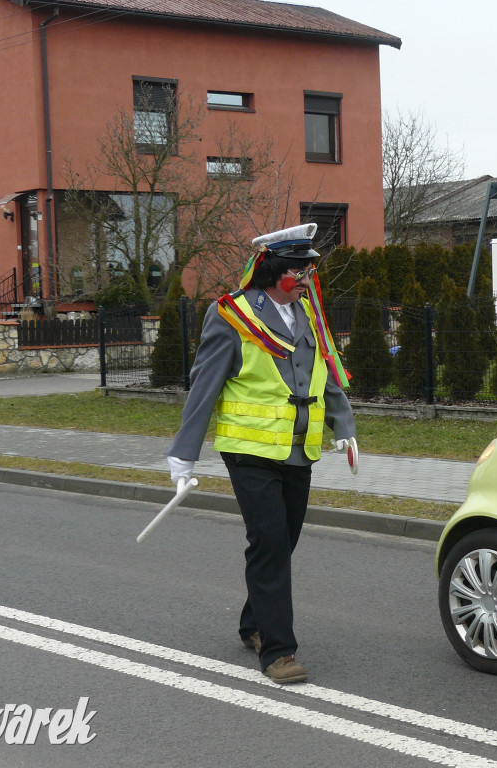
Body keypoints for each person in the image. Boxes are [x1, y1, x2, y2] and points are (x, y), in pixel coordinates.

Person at [165, 223, 355, 684]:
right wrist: (183, 456)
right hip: (249, 451)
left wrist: (343, 425)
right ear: (274, 271)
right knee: (270, 541)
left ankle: (253, 623)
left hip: (298, 447)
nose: (308, 277)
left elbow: (324, 369)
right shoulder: (232, 315)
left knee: (281, 542)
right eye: (300, 270)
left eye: (309, 269)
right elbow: (205, 384)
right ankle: (278, 651)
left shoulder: (308, 312)